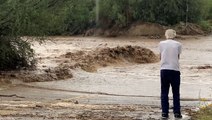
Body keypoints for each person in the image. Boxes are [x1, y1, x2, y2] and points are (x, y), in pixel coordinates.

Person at [159, 29, 182, 119]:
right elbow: (178, 57)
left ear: (166, 35)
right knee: (176, 93)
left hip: (164, 69)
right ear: (174, 35)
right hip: (175, 70)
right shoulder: (178, 44)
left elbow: (160, 56)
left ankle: (164, 112)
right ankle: (177, 113)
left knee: (164, 92)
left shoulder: (161, 43)